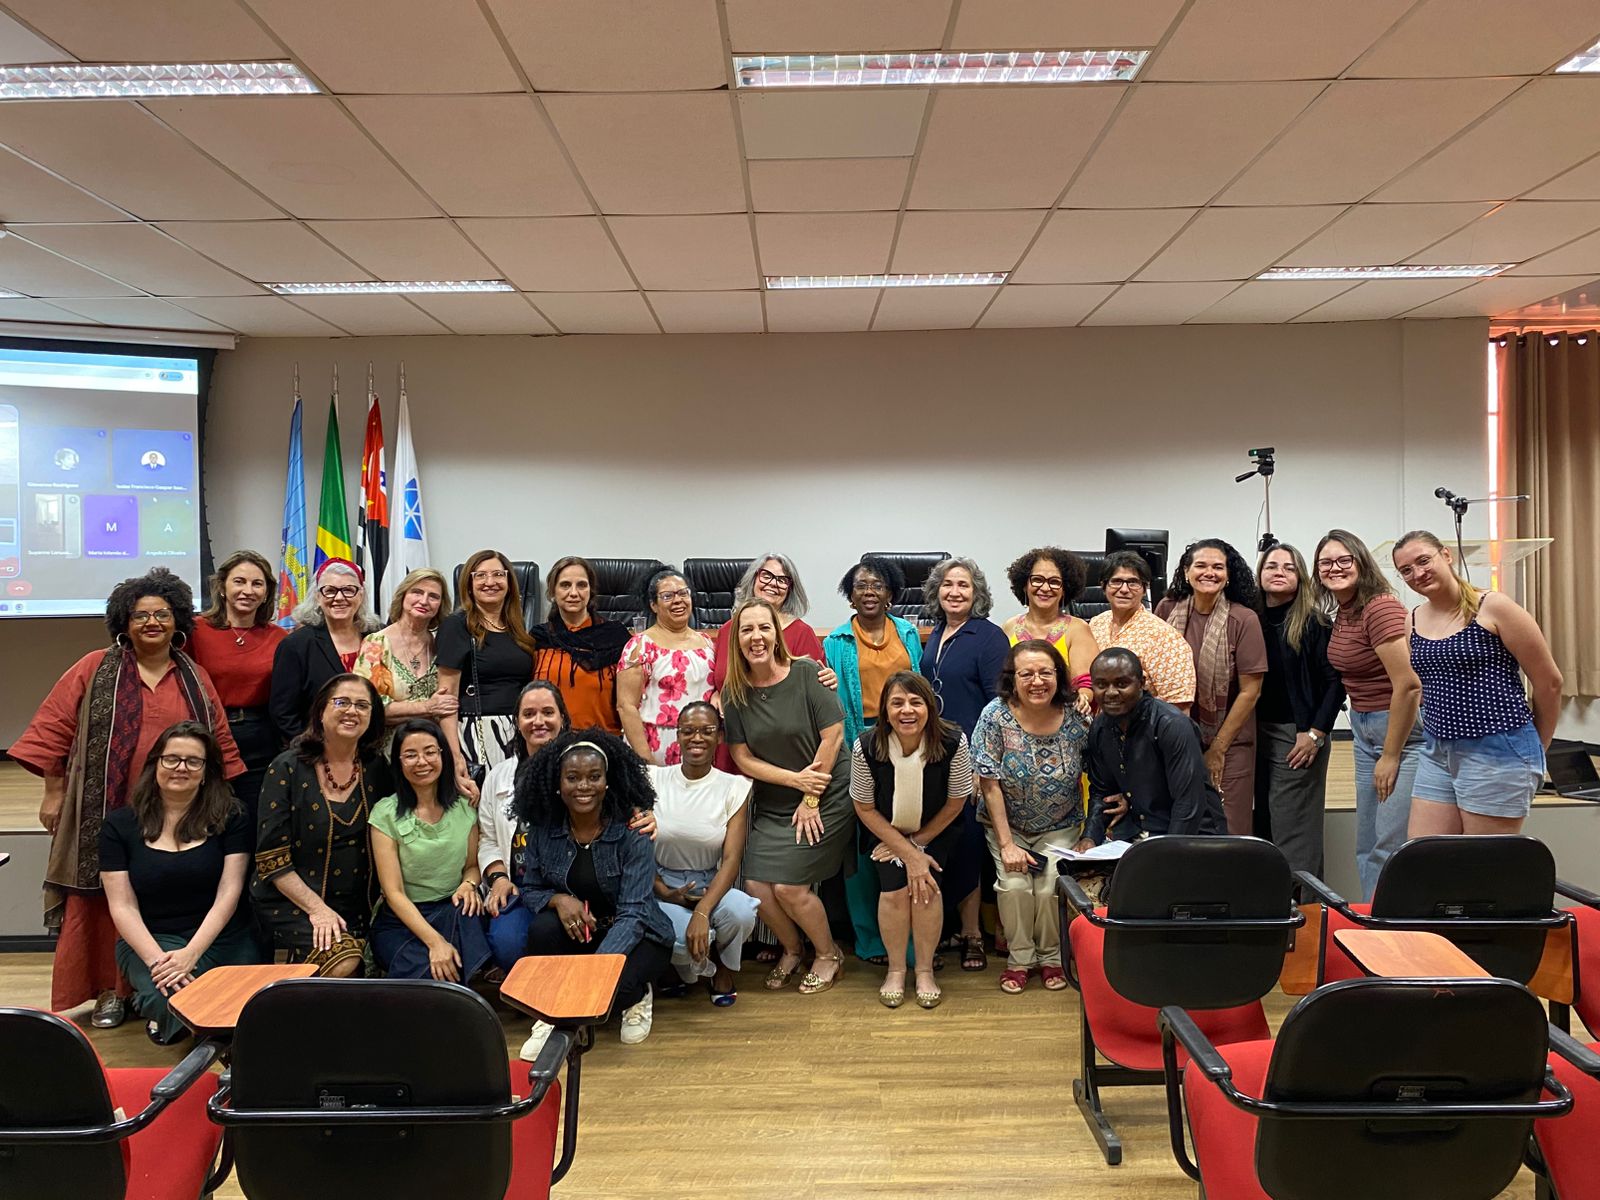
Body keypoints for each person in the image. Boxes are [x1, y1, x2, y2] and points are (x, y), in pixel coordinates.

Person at [14, 567, 243, 1027]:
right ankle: (109, 991)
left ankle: (158, 974)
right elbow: (53, 728)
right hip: (107, 807)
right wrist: (54, 792)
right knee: (105, 896)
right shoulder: (93, 668)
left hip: (179, 810)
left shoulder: (194, 676)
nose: (152, 622)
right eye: (140, 615)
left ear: (178, 621)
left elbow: (218, 743)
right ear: (124, 621)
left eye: (162, 614)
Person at [722, 598, 854, 996]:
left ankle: (828, 955)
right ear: (736, 639)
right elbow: (742, 756)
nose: (756, 637)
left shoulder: (808, 673)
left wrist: (810, 795)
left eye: (764, 628)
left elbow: (834, 735)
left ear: (777, 635)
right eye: (747, 630)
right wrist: (793, 781)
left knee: (789, 888)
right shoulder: (734, 693)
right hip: (779, 797)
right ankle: (794, 949)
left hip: (828, 789)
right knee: (756, 887)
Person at [514, 729, 672, 1057]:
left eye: (594, 777)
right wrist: (558, 900)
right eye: (572, 777)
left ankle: (637, 995)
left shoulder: (634, 829)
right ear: (558, 784)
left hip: (637, 933)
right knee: (541, 929)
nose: (583, 786)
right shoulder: (543, 830)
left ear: (607, 782)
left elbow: (634, 913)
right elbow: (530, 888)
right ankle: (550, 1015)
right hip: (583, 930)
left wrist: (595, 969)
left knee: (614, 992)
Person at [1393, 530, 1563, 836]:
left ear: (1446, 555)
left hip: (1496, 749)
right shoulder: (1413, 619)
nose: (1417, 573)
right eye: (1406, 570)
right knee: (1427, 855)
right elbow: (1427, 685)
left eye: (1423, 561)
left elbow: (1549, 683)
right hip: (1438, 750)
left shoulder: (1492, 607)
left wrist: (1538, 746)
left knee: (1483, 860)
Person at [100, 723, 261, 1045]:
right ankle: (208, 1039)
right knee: (170, 999)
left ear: (206, 773)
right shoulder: (119, 825)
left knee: (247, 1001)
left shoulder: (233, 816)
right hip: (154, 941)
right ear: (155, 764)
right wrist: (159, 962)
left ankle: (203, 1036)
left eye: (193, 761)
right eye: (171, 759)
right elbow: (123, 906)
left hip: (224, 936)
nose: (181, 768)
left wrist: (191, 953)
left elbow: (229, 892)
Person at [253, 674, 393, 975]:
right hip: (292, 901)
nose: (352, 711)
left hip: (358, 904)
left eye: (362, 705)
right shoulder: (287, 767)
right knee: (344, 962)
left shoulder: (376, 767)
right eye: (342, 702)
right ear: (320, 710)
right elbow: (271, 859)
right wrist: (317, 910)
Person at [971, 641, 1090, 995]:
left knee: (1051, 884)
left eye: (1045, 673)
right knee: (1015, 886)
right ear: (1013, 678)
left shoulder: (1077, 715)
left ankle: (1052, 957)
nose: (1037, 681)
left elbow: (1101, 768)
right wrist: (1007, 844)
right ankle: (1020, 960)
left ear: (1059, 676)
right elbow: (989, 784)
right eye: (1026, 674)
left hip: (1061, 825)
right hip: (1007, 826)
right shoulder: (995, 716)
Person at [849, 673, 971, 1010]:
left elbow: (956, 802)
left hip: (937, 829)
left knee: (925, 889)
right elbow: (864, 807)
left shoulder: (953, 741)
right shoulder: (865, 745)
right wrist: (907, 852)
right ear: (885, 710)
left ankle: (925, 971)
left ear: (929, 707)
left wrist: (918, 846)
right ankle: (896, 970)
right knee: (893, 891)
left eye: (916, 702)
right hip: (885, 832)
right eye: (897, 703)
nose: (907, 710)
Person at [824, 555, 923, 967]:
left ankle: (913, 941)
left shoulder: (908, 633)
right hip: (857, 742)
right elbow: (830, 699)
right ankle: (869, 940)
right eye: (861, 586)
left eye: (878, 585)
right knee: (864, 844)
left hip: (907, 737)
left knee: (906, 836)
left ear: (891, 594)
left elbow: (919, 686)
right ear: (850, 596)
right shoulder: (836, 640)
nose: (869, 592)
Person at [1314, 529, 1423, 899]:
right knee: (1367, 841)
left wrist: (1391, 754)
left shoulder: (1380, 608)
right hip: (1364, 729)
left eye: (1344, 560)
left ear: (1360, 562)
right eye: (1326, 562)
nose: (1335, 567)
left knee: (1390, 842)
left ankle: (1392, 922)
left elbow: (1408, 685)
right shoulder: (1345, 611)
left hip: (1400, 732)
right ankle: (1370, 916)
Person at [917, 556, 1008, 973]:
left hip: (971, 757)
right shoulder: (936, 632)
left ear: (977, 594)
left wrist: (979, 765)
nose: (955, 592)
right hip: (935, 755)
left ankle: (973, 934)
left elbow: (999, 704)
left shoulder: (988, 637)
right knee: (939, 842)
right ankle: (941, 930)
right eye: (948, 585)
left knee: (969, 844)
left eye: (964, 586)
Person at [1155, 539, 1267, 836]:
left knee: (1228, 829)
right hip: (1175, 739)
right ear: (1186, 571)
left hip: (1229, 741)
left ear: (1228, 575)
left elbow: (1251, 691)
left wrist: (1217, 749)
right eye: (1201, 565)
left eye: (1218, 567)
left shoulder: (1243, 619)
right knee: (1179, 825)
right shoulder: (1166, 610)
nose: (1209, 573)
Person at [648, 703, 758, 1005]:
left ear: (719, 737)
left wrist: (702, 910)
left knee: (741, 912)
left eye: (707, 731)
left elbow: (732, 859)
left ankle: (721, 967)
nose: (697, 738)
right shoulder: (653, 779)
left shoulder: (734, 786)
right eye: (688, 731)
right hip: (660, 885)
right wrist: (661, 889)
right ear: (677, 736)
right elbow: (637, 848)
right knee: (683, 940)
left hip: (709, 884)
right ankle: (680, 966)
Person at [369, 720, 491, 982]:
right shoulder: (385, 813)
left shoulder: (464, 807)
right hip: (402, 919)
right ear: (398, 762)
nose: (421, 762)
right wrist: (435, 942)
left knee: (466, 920)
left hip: (451, 908)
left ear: (442, 755)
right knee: (429, 970)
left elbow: (472, 866)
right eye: (410, 755)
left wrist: (468, 885)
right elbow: (393, 893)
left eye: (430, 752)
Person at [1253, 544, 1344, 874]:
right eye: (1271, 566)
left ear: (1301, 577)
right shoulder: (1250, 619)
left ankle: (1303, 903)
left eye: (1289, 568)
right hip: (1255, 733)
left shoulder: (1315, 623)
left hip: (1298, 734)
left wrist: (1316, 733)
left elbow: (1336, 682)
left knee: (1294, 834)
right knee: (1263, 825)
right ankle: (1269, 901)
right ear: (1259, 574)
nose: (1279, 572)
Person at [1079, 649, 1224, 846]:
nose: (1111, 693)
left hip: (1193, 836)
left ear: (1142, 683)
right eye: (1102, 685)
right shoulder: (1100, 727)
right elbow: (1102, 792)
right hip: (1138, 834)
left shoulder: (1170, 724)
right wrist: (1090, 838)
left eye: (1122, 684)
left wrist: (1163, 855)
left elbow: (1188, 804)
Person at [709, 553, 837, 776]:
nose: (773, 584)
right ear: (754, 578)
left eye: (782, 580)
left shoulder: (802, 633)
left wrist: (830, 679)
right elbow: (719, 677)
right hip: (734, 745)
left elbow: (818, 691)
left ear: (790, 589)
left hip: (780, 752)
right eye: (766, 575)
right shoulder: (727, 630)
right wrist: (716, 692)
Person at [188, 549, 287, 825]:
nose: (248, 591)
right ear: (222, 587)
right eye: (239, 581)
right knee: (207, 817)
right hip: (208, 733)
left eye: (257, 584)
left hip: (261, 738)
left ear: (266, 593)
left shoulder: (280, 637)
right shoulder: (195, 631)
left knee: (253, 818)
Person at [480, 681, 570, 973]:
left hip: (570, 888)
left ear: (562, 718)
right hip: (519, 889)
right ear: (517, 722)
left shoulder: (580, 769)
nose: (538, 721)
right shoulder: (499, 775)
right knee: (508, 946)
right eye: (529, 714)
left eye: (548, 712)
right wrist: (498, 879)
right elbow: (488, 838)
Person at [437, 550, 537, 798]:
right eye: (480, 575)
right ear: (469, 585)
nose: (490, 582)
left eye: (498, 575)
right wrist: (455, 756)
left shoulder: (517, 629)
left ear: (509, 582)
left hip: (519, 734)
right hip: (477, 732)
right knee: (484, 806)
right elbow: (446, 698)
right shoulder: (456, 625)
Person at [269, 558, 382, 743]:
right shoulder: (296, 645)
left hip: (373, 747)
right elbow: (283, 714)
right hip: (316, 749)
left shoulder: (378, 637)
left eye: (348, 590)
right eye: (329, 590)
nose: (339, 598)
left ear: (361, 595)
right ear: (317, 597)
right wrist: (314, 749)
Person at [618, 567, 716, 765]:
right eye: (667, 596)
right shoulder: (640, 646)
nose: (678, 600)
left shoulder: (708, 643)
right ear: (653, 605)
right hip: (655, 746)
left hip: (702, 746)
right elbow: (626, 706)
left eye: (683, 593)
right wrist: (646, 761)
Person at [531, 555, 629, 736]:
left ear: (591, 591)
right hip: (550, 743)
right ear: (552, 592)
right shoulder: (539, 639)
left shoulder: (616, 637)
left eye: (582, 585)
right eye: (565, 585)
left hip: (605, 743)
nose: (574, 593)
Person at [1087, 551, 1196, 712]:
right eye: (1116, 581)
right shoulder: (1096, 623)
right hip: (1098, 724)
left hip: (1142, 725)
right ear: (1104, 586)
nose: (1124, 589)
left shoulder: (1165, 637)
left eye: (1133, 582)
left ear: (1145, 589)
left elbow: (1178, 706)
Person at [1001, 547, 1099, 717]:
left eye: (1054, 582)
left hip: (1064, 718)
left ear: (1064, 589)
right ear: (1024, 585)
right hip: (1016, 718)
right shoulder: (1009, 627)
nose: (1045, 588)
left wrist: (1083, 697)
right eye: (1037, 580)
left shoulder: (1078, 629)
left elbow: (1087, 683)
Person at [355, 567, 458, 727]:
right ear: (403, 596)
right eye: (417, 592)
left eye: (433, 596)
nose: (424, 601)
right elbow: (365, 704)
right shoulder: (376, 643)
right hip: (389, 740)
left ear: (440, 605)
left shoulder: (442, 645)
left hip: (433, 739)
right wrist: (427, 707)